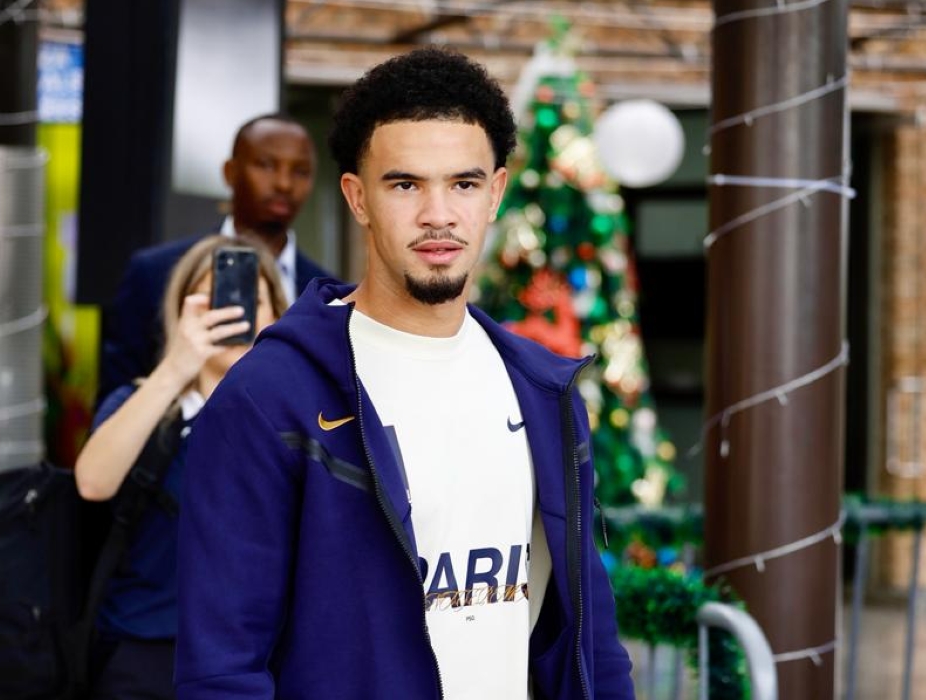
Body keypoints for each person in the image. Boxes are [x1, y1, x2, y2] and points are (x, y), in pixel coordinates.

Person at [176, 48, 635, 699]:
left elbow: (593, 639)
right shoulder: (269, 397)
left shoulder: (543, 392)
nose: (438, 215)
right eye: (405, 185)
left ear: (496, 193)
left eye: (463, 184)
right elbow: (221, 667)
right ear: (357, 197)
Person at [76, 235, 289, 700]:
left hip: (253, 656)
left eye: (251, 301)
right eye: (212, 301)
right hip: (143, 650)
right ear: (182, 314)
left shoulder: (297, 417)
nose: (233, 313)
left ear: (277, 314)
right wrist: (176, 367)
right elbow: (92, 482)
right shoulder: (141, 402)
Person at [98, 113, 335, 405]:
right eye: (266, 165)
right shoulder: (154, 272)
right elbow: (115, 398)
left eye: (301, 171)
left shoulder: (328, 295)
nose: (284, 183)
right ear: (230, 172)